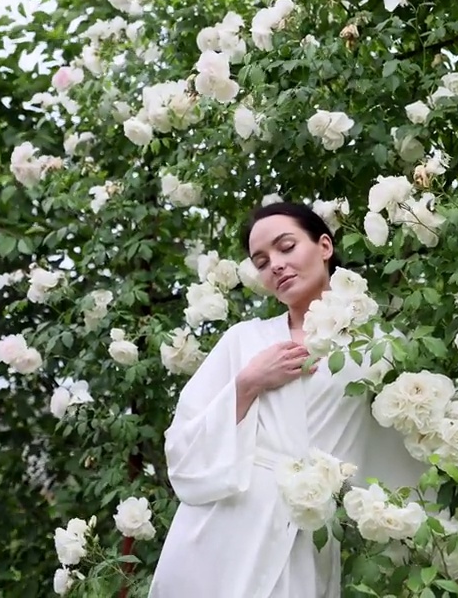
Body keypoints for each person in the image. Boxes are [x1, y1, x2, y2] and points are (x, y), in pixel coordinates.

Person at [148, 201, 429, 597]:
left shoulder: (378, 347)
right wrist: (248, 383)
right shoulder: (244, 341)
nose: (275, 265)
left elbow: (409, 454)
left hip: (307, 527)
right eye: (261, 261)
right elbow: (182, 447)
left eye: (286, 247)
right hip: (223, 528)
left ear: (325, 247)